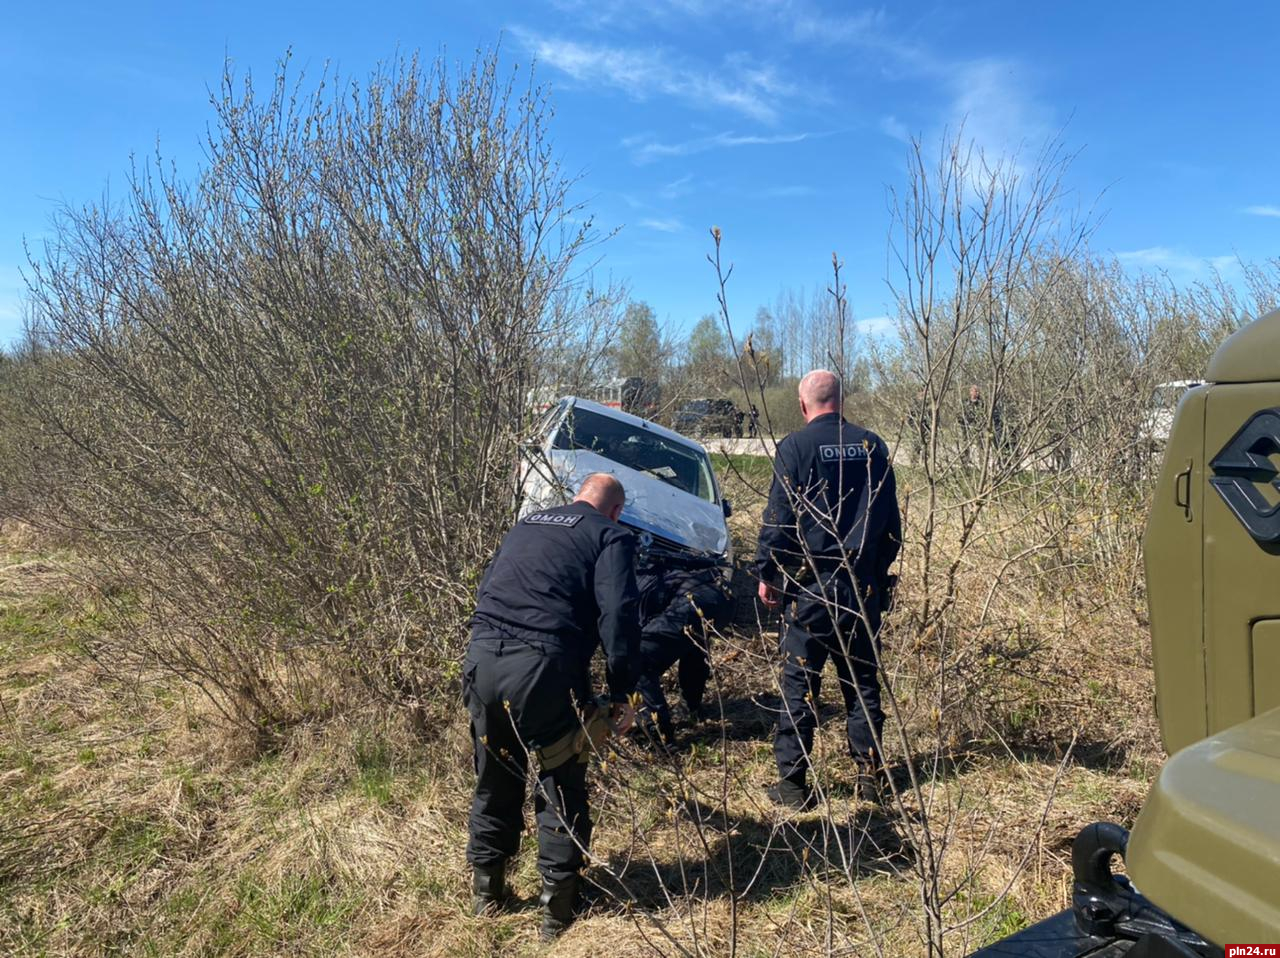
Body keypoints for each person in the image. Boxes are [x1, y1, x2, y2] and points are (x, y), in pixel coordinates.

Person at [464, 473, 641, 938]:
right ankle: (557, 911)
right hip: (541, 668)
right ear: (617, 510)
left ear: (578, 496)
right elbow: (619, 615)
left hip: (482, 658)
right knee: (559, 782)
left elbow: (489, 588)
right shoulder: (610, 534)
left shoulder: (527, 524)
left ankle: (487, 892)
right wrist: (623, 691)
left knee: (495, 774)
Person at [756, 370, 902, 809]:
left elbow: (778, 519)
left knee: (800, 681)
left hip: (811, 588)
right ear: (843, 400)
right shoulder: (871, 446)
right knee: (861, 682)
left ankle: (794, 784)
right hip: (862, 588)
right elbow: (892, 528)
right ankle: (870, 777)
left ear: (804, 405)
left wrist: (771, 574)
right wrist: (875, 572)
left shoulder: (795, 448)